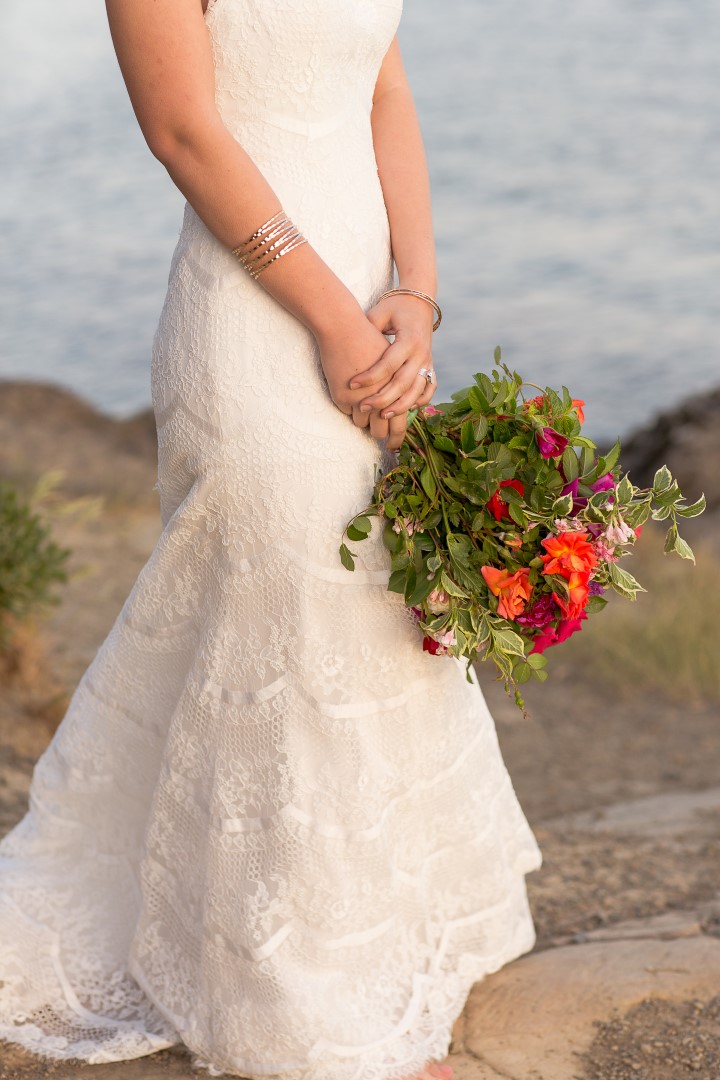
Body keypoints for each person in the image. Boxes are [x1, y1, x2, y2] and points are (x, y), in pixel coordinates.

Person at [0, 0, 542, 1076]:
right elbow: (184, 131)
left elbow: (383, 85)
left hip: (371, 304)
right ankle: (295, 1008)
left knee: (371, 612)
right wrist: (337, 323)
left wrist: (415, 294)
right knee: (293, 609)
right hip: (253, 320)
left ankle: (381, 945)